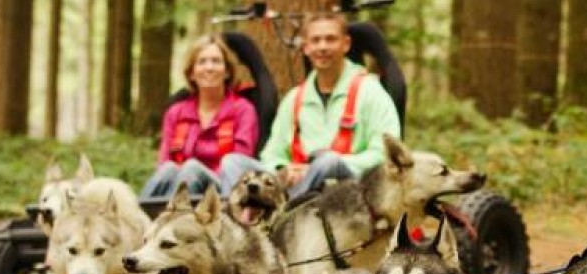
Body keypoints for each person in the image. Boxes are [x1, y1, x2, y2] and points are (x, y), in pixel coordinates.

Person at [259, 13, 401, 202]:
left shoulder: (371, 92)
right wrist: (282, 168)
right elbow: (271, 153)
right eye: (316, 40)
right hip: (298, 185)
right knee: (233, 162)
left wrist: (327, 166)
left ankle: (286, 213)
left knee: (327, 162)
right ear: (306, 47)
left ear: (346, 44)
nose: (323, 47)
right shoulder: (294, 99)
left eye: (330, 39)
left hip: (351, 189)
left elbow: (384, 153)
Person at [141, 35, 266, 200]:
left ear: (227, 71)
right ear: (192, 73)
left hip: (224, 193)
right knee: (169, 169)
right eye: (202, 62)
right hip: (178, 189)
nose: (209, 68)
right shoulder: (176, 113)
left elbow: (238, 167)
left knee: (192, 168)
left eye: (216, 61)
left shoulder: (242, 110)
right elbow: (164, 162)